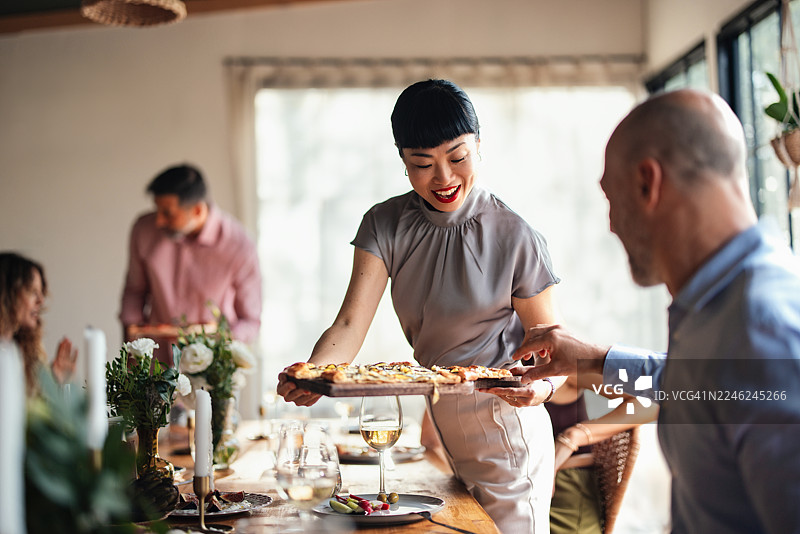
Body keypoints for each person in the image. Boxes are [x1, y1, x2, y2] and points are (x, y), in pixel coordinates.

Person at [277, 79, 564, 533]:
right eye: (422, 164)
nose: (444, 178)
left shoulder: (514, 236)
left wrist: (542, 390)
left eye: (458, 157)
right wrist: (315, 373)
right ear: (403, 162)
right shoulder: (384, 223)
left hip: (506, 429)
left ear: (479, 146)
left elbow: (555, 352)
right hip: (441, 425)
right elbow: (350, 323)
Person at [515, 89, 800, 534]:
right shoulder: (726, 309)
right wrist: (593, 360)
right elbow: (708, 387)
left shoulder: (764, 326)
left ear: (649, 183)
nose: (611, 225)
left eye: (611, 198)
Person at [119, 164, 262, 361]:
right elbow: (134, 292)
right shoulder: (143, 230)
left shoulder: (239, 244)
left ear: (196, 210)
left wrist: (223, 345)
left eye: (167, 213)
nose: (159, 220)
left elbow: (250, 320)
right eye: (157, 210)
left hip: (212, 368)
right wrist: (133, 346)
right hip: (155, 363)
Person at [546, 375, 658, 534]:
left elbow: (651, 402)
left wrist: (575, 435)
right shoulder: (501, 362)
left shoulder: (555, 361)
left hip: (565, 484)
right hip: (508, 481)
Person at [0, 252, 77, 396]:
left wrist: (55, 381)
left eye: (41, 292)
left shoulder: (28, 351)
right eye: (32, 291)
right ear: (8, 294)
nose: (41, 301)